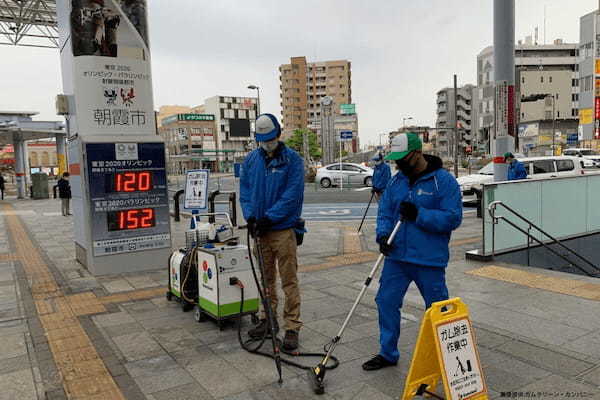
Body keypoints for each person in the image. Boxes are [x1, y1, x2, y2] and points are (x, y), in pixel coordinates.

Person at [362, 133, 462, 371]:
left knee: (438, 309)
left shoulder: (443, 181)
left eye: (402, 159)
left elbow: (453, 218)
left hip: (429, 259)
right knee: (385, 301)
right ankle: (388, 353)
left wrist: (420, 215)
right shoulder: (397, 182)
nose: (398, 164)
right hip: (397, 257)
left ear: (417, 154)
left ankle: (448, 356)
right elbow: (385, 212)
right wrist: (383, 235)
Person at [239, 113, 305, 351]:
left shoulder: (293, 161)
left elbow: (292, 195)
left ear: (278, 133)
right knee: (265, 278)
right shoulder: (251, 161)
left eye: (270, 137)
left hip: (283, 230)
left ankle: (292, 327)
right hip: (260, 230)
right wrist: (251, 217)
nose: (267, 143)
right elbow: (245, 192)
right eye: (263, 139)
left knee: (289, 280)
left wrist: (270, 217)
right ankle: (268, 320)